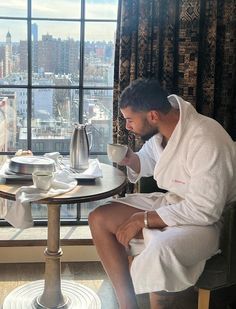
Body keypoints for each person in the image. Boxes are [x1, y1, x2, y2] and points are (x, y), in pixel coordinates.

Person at [88, 78, 236, 309]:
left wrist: (143, 219)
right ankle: (128, 305)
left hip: (212, 222)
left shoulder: (206, 138)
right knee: (99, 218)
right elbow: (147, 161)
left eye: (130, 120)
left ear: (153, 115)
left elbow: (205, 209)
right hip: (175, 204)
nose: (127, 126)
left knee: (160, 249)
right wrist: (130, 159)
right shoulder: (162, 133)